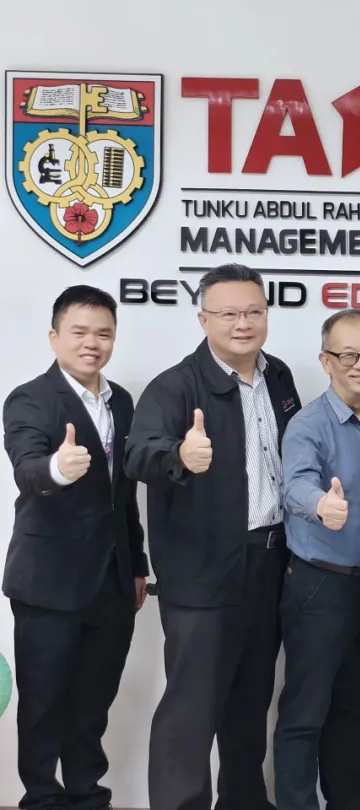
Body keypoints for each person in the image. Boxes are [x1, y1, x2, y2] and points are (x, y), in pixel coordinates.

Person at [124, 263, 303, 810]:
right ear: (203, 320)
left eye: (253, 311)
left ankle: (244, 801)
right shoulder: (176, 385)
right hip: (202, 570)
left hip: (268, 562)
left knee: (250, 700)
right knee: (192, 707)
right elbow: (137, 454)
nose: (242, 323)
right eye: (228, 314)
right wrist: (179, 455)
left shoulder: (278, 377)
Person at [2, 285, 149, 810]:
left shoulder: (122, 402)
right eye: (80, 332)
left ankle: (89, 796)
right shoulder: (30, 398)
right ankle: (42, 798)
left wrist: (137, 565)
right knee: (43, 704)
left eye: (103, 333)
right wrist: (56, 470)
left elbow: (123, 495)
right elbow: (27, 468)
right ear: (54, 337)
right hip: (48, 581)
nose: (92, 343)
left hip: (112, 581)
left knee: (93, 703)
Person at [273, 309, 360, 810]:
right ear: (326, 361)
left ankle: (347, 802)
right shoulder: (308, 424)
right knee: (305, 712)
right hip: (319, 586)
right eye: (348, 355)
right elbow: (295, 484)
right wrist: (322, 504)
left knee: (351, 707)